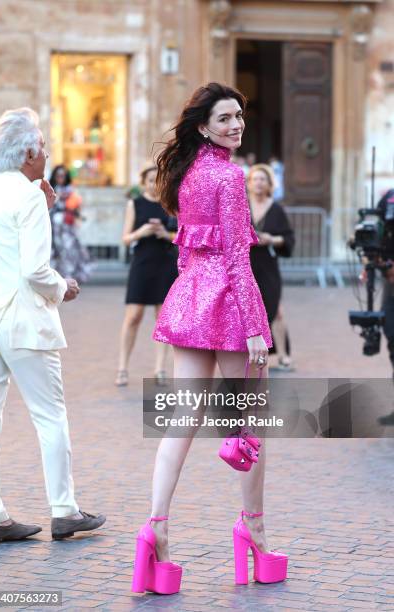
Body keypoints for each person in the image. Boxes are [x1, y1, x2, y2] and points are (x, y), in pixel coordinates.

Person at [131, 83, 288, 595]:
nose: (236, 125)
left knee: (182, 423)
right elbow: (241, 262)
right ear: (203, 126)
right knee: (249, 425)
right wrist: (255, 328)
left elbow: (184, 249)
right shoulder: (229, 175)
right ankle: (255, 531)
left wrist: (188, 293)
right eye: (224, 119)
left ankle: (155, 529)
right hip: (227, 304)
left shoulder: (185, 174)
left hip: (191, 298)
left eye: (240, 116)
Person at [0, 108, 105, 543]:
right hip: (23, 319)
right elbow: (36, 269)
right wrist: (63, 286)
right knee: (50, 416)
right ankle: (64, 509)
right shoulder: (28, 195)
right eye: (42, 145)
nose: (48, 152)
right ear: (29, 153)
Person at [115, 165, 178, 387]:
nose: (154, 184)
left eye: (158, 180)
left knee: (163, 320)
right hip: (142, 264)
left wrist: (165, 234)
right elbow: (125, 238)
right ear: (144, 182)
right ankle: (122, 367)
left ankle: (160, 368)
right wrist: (141, 233)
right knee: (133, 317)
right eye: (151, 180)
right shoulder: (135, 203)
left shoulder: (171, 204)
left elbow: (183, 236)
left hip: (166, 264)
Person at [248, 164, 295, 371]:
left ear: (269, 184)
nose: (258, 183)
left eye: (262, 179)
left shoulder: (276, 209)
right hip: (244, 264)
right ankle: (247, 353)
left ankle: (283, 356)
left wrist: (271, 240)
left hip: (267, 265)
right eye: (255, 179)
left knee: (276, 310)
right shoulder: (240, 206)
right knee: (245, 310)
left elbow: (288, 238)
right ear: (248, 183)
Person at [49, 164, 91, 284]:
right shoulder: (50, 189)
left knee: (69, 250)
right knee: (54, 251)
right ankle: (56, 277)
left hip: (67, 226)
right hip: (53, 226)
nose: (60, 178)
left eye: (63, 175)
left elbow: (77, 208)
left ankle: (69, 276)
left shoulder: (71, 191)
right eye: (58, 175)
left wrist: (77, 219)